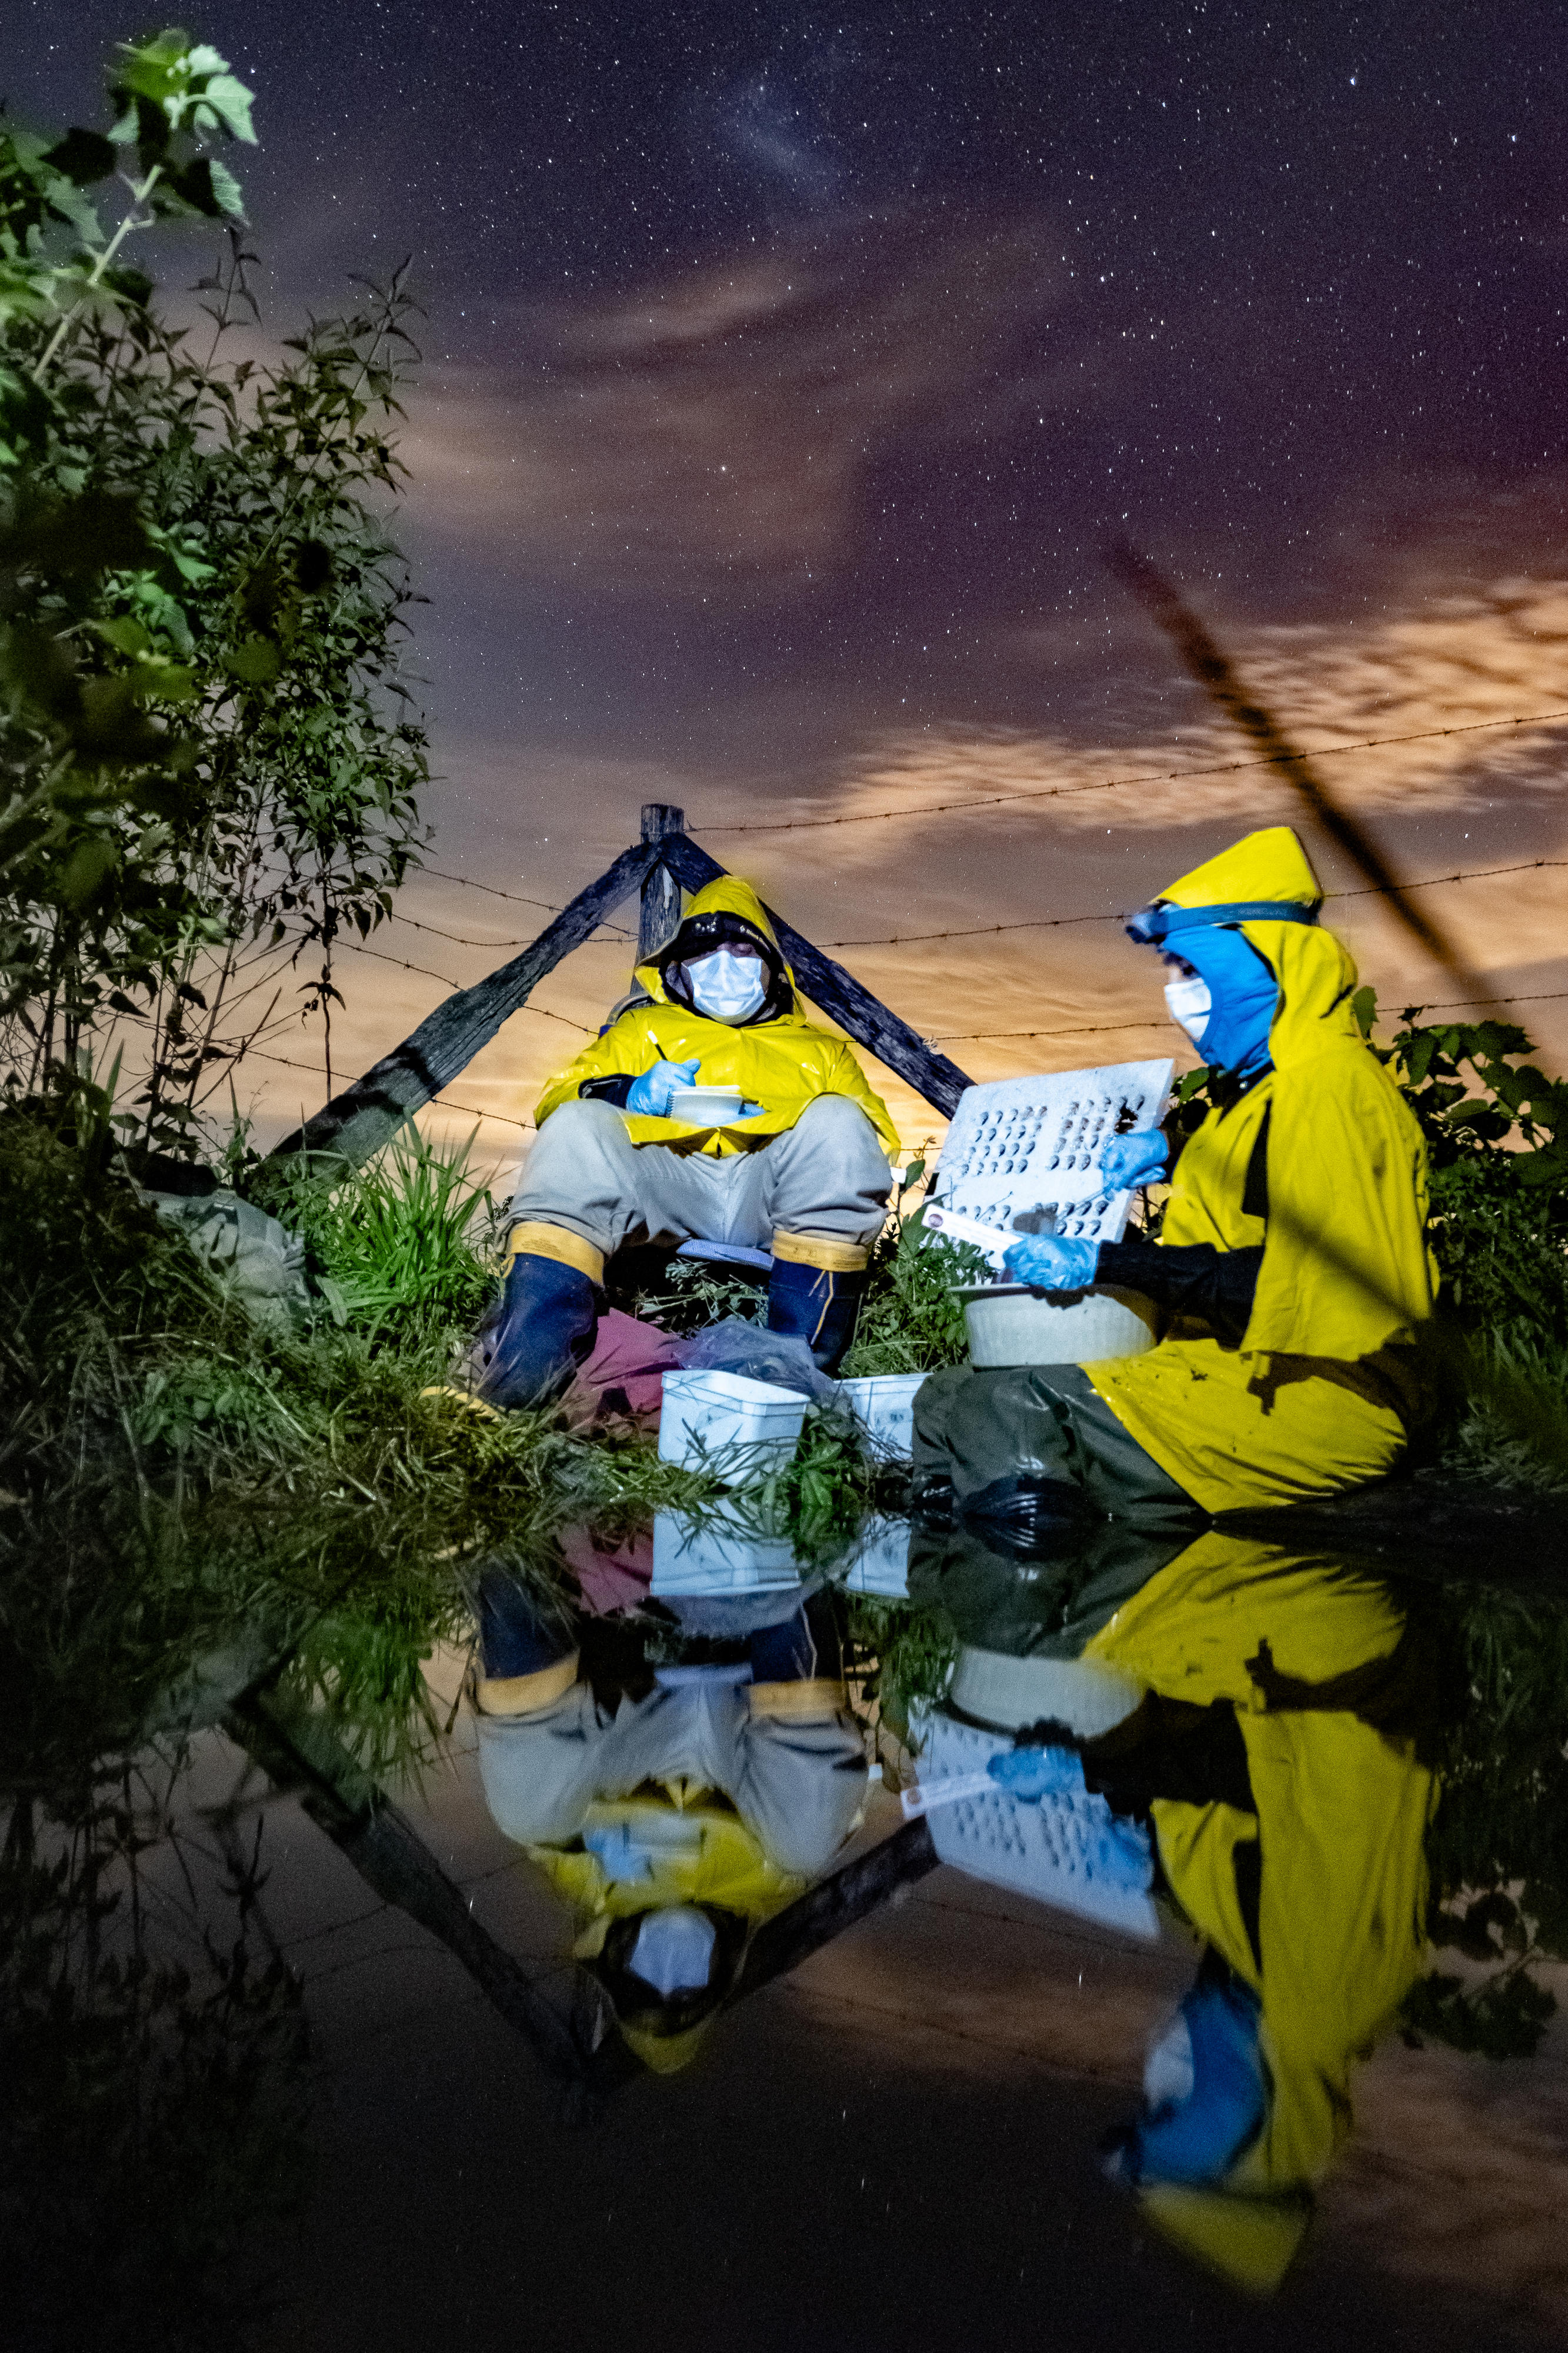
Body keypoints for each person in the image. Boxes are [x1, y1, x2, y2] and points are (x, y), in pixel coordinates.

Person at [913, 825, 1436, 1519]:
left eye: (1191, 970)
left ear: (1264, 964)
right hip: (1236, 1367)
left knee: (1008, 1407)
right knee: (942, 1398)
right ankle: (992, 1540)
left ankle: (1052, 1589)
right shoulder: (1270, 1084)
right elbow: (1266, 1176)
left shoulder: (1329, 1091)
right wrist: (1174, 1150)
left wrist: (1108, 1261)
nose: (1175, 994)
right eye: (1169, 972)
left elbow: (1277, 1287)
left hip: (1322, 1396)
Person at [989, 1528, 1437, 2292]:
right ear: (1252, 2135)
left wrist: (1147, 1852)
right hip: (1324, 1657)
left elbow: (1247, 1834)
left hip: (1292, 1671)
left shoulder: (1270, 1996)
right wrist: (1098, 1771)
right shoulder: (1316, 2004)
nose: (1158, 2071)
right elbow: (1254, 1775)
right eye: (1171, 2107)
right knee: (1045, 1606)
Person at [482, 875, 900, 1404]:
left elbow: (875, 1138)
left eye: (743, 948)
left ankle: (794, 1380)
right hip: (669, 1180)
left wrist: (780, 1119)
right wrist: (631, 1093)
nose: (725, 964)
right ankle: (519, 1383)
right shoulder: (643, 1030)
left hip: (770, 1193)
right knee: (575, 1130)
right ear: (679, 967)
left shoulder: (821, 1051)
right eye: (706, 951)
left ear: (773, 968)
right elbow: (560, 1097)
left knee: (840, 1122)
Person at [470, 1566, 868, 2073]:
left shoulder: (586, 1879)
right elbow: (832, 1794)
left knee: (526, 1815)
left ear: (614, 1965)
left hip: (629, 1679)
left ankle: (514, 1571)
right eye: (684, 1987)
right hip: (745, 1683)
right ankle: (784, 1576)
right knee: (805, 1840)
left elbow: (544, 1819)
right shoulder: (773, 1879)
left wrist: (587, 1844)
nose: (667, 1972)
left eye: (646, 1982)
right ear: (721, 1974)